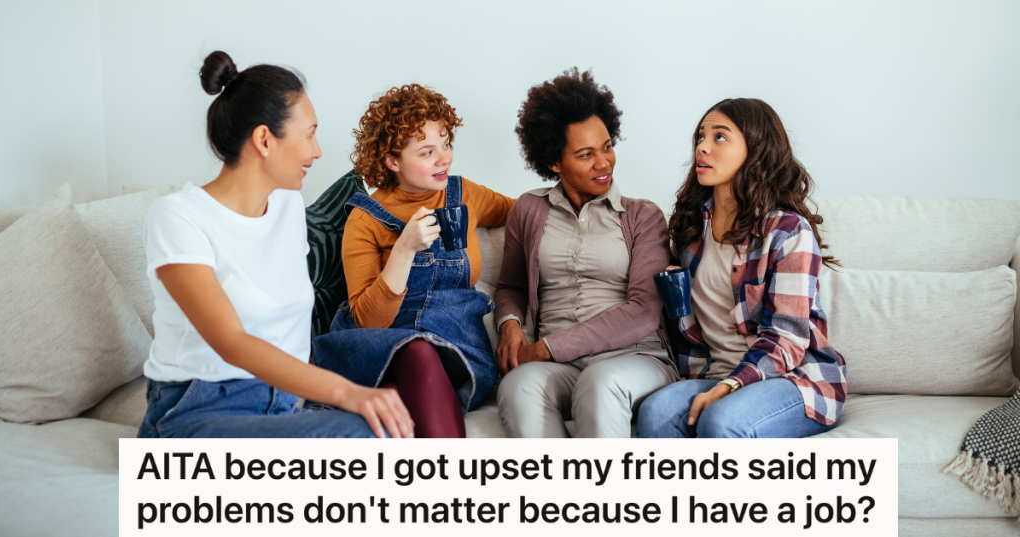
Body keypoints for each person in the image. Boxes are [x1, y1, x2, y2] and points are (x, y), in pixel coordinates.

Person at [138, 51, 413, 439]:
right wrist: (348, 393)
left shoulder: (287, 206)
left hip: (282, 407)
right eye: (310, 134)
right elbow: (231, 342)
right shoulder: (178, 217)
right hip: (197, 412)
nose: (317, 151)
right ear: (264, 140)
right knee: (361, 433)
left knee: (381, 432)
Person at [310, 84, 514, 438]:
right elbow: (368, 320)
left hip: (458, 348)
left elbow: (527, 213)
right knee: (415, 353)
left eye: (446, 144)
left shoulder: (464, 194)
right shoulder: (365, 219)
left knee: (412, 371)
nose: (444, 158)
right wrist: (404, 249)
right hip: (380, 345)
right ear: (392, 161)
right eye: (427, 151)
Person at [637, 98, 847, 439]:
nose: (702, 147)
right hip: (715, 375)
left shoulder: (787, 231)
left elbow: (788, 337)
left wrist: (732, 384)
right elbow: (685, 329)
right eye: (700, 137)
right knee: (656, 412)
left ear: (756, 150)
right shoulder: (692, 232)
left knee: (721, 421)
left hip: (789, 379)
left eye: (719, 137)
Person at [494, 68, 675, 438]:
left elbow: (644, 312)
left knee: (600, 382)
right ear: (553, 162)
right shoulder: (528, 210)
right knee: (517, 387)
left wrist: (546, 347)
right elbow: (510, 285)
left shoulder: (643, 216)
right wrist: (510, 324)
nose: (604, 162)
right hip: (561, 367)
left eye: (607, 146)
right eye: (585, 154)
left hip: (635, 358)